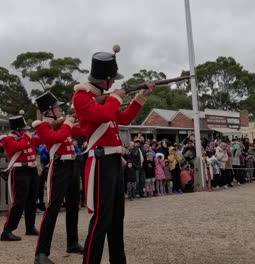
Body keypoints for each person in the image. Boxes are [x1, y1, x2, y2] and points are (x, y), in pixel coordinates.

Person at [72, 48, 154, 264]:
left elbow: (123, 118)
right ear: (107, 80)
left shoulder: (105, 99)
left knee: (117, 219)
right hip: (100, 162)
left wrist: (140, 97)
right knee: (101, 219)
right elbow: (104, 114)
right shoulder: (82, 97)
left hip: (114, 162)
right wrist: (116, 98)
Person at [32, 91, 84, 264]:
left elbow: (82, 129)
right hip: (59, 166)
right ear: (49, 111)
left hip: (72, 165)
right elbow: (57, 137)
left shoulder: (62, 123)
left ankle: (73, 242)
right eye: (57, 107)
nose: (60, 109)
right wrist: (68, 123)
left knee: (73, 206)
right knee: (53, 209)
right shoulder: (42, 125)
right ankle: (41, 254)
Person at [0, 116, 39, 242]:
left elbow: (40, 140)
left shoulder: (26, 137)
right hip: (20, 171)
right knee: (19, 201)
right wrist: (27, 136)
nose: (26, 131)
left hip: (32, 170)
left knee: (32, 200)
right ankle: (7, 230)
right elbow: (18, 147)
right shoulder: (7, 139)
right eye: (23, 129)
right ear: (17, 130)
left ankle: (30, 226)